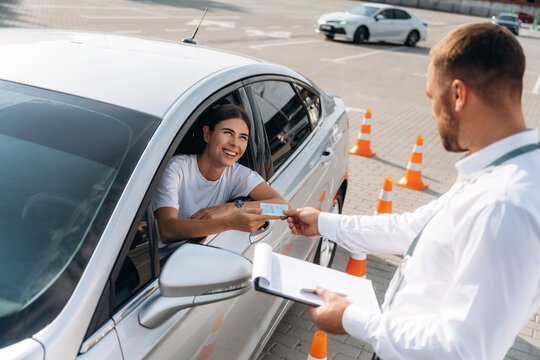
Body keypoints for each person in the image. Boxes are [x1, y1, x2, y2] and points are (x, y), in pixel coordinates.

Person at [284, 22, 540, 359]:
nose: (433, 114)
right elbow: (415, 229)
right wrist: (324, 222)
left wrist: (352, 318)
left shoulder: (504, 203)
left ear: (459, 94)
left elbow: (462, 349)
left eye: (433, 98)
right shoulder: (503, 170)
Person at [154, 103, 285, 243]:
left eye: (243, 137)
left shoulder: (237, 174)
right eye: (228, 133)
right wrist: (229, 223)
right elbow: (167, 229)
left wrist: (233, 208)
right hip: (160, 262)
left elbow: (282, 207)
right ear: (207, 134)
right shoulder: (175, 168)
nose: (235, 143)